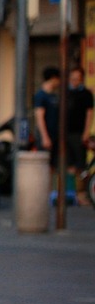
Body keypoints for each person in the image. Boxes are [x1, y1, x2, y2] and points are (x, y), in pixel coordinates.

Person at [65, 66, 94, 205]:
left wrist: (86, 132)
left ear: (82, 79)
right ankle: (70, 194)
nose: (74, 81)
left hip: (79, 133)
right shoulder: (65, 92)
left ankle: (81, 194)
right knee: (68, 164)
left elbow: (89, 114)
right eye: (72, 78)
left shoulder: (86, 94)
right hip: (65, 133)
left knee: (81, 165)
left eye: (77, 79)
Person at [33, 66, 62, 168]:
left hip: (54, 134)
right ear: (53, 78)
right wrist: (45, 137)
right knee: (44, 163)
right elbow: (39, 117)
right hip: (46, 134)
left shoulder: (54, 96)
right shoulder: (40, 96)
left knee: (53, 164)